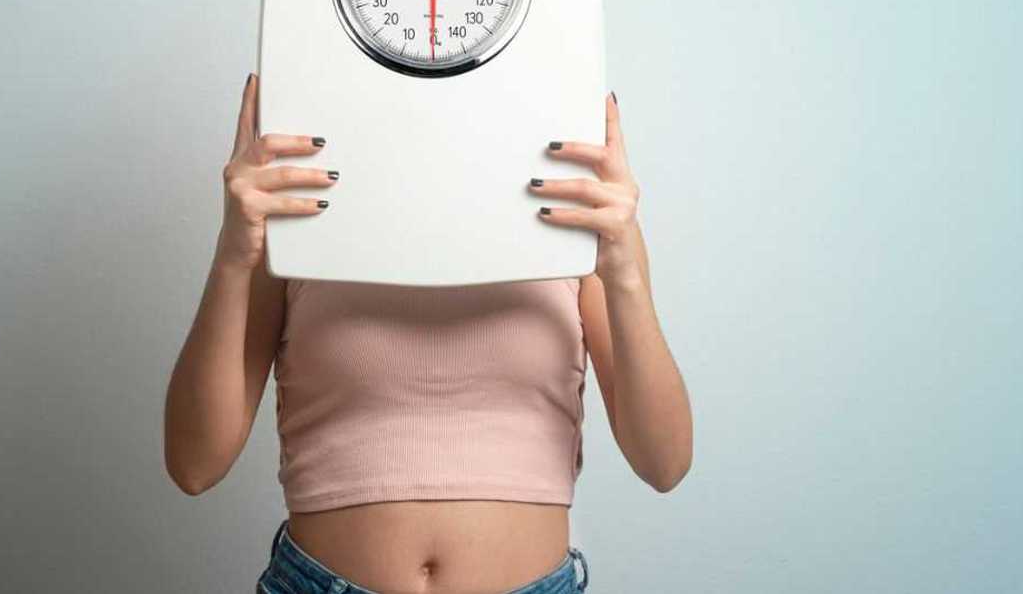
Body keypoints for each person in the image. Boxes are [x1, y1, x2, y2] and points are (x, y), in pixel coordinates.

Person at [164, 73, 693, 594]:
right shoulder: (298, 201)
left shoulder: (575, 201)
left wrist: (622, 272)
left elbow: (664, 463)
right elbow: (194, 465)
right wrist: (235, 253)